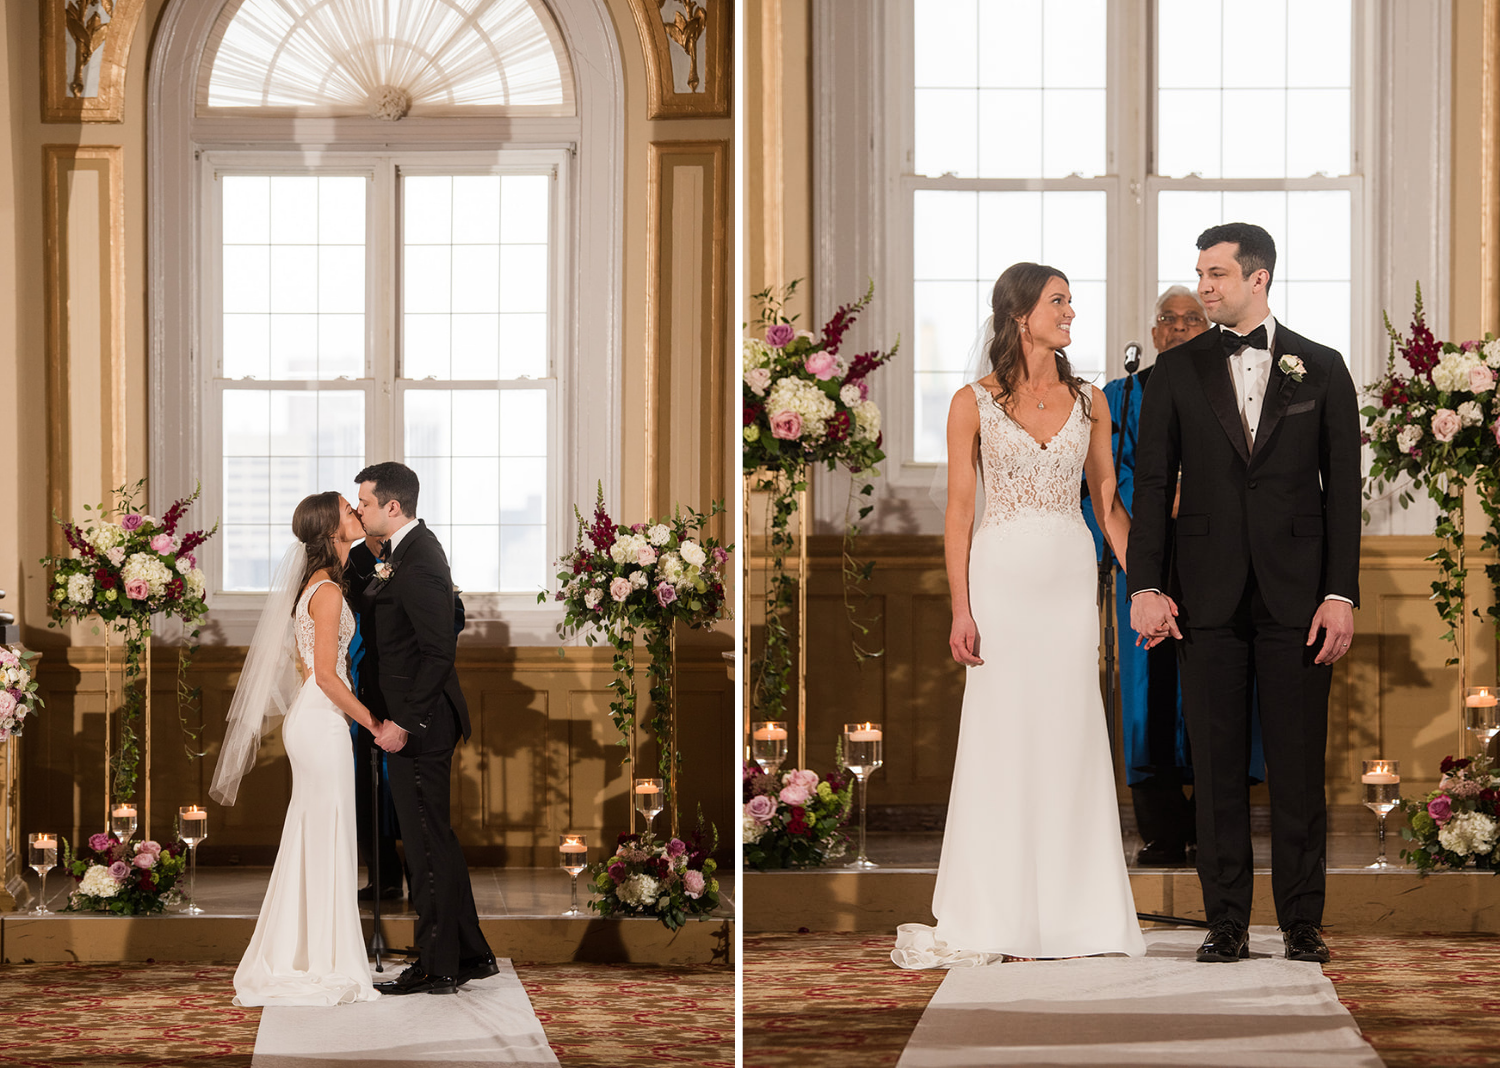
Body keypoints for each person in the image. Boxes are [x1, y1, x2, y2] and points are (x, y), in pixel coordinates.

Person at [892, 262, 1146, 967]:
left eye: (1070, 300)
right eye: (1058, 301)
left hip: (1069, 583)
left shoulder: (1092, 401)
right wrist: (960, 609)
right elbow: (960, 515)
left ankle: (1078, 913)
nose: (1071, 312)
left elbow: (1106, 503)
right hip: (999, 584)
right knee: (1003, 736)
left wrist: (1146, 584)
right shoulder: (972, 402)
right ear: (1020, 314)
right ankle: (996, 909)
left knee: (1069, 732)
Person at [1128, 223, 1360, 965]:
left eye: (1218, 274)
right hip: (1205, 597)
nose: (1204, 287)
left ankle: (1301, 922)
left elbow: (1343, 497)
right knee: (1217, 767)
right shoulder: (1175, 371)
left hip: (1299, 601)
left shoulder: (1322, 368)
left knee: (1297, 768)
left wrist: (1340, 595)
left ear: (1258, 278)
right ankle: (1224, 922)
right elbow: (1157, 482)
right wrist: (1147, 586)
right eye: (1200, 272)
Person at [1082, 287, 1266, 866]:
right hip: (1147, 558)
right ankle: (1162, 828)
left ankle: (1218, 826)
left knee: (1219, 688)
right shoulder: (1123, 395)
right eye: (1170, 319)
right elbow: (1105, 481)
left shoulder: (1235, 382)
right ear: (1155, 331)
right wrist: (1160, 505)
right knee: (1147, 695)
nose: (1182, 328)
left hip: (1221, 560)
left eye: (1193, 318)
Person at [210, 492, 382, 1006]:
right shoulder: (326, 590)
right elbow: (328, 677)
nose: (357, 511)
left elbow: (313, 667)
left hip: (316, 717)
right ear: (332, 529)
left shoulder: (321, 584)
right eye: (349, 510)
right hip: (321, 720)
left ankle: (309, 950)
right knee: (326, 831)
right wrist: (375, 723)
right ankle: (323, 958)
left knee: (316, 831)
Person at [354, 462, 496, 995]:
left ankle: (438, 965)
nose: (361, 510)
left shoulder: (419, 559)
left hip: (422, 724)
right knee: (436, 840)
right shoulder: (403, 552)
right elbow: (432, 623)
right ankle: (472, 954)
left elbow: (440, 650)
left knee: (425, 847)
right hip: (418, 718)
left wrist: (404, 725)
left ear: (393, 507)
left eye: (365, 503)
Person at [347, 530, 406, 903]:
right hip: (362, 684)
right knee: (365, 785)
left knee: (403, 787)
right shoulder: (349, 560)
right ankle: (382, 875)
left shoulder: (414, 552)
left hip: (403, 687)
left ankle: (421, 876)